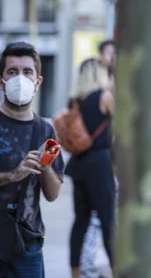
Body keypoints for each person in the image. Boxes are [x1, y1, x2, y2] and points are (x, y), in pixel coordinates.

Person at [0, 41, 65, 276]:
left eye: (27, 72)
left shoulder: (45, 131)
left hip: (28, 242)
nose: (20, 78)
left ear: (38, 82)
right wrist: (12, 175)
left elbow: (53, 194)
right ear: (2, 81)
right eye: (12, 71)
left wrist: (45, 167)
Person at [65, 58, 115, 278]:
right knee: (107, 219)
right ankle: (118, 270)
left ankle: (75, 272)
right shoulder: (104, 97)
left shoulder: (74, 101)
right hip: (99, 163)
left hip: (79, 163)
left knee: (80, 220)